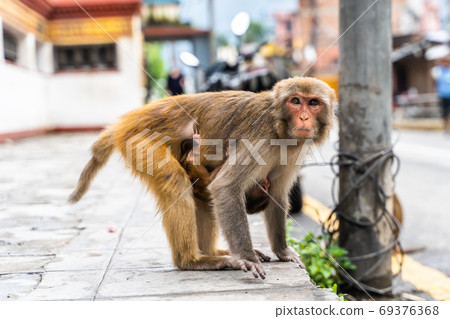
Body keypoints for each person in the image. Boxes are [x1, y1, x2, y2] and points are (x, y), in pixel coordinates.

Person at [431, 56, 450, 134]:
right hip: (443, 94)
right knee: (444, 112)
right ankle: (446, 127)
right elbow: (433, 79)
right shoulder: (438, 70)